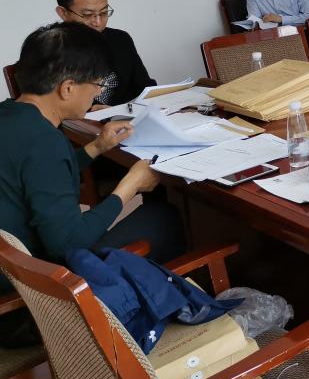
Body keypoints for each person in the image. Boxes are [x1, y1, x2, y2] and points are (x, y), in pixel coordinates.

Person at [0, 23, 185, 347]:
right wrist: (129, 186)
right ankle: (150, 334)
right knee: (163, 218)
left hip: (12, 282)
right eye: (96, 84)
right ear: (67, 88)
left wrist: (95, 148)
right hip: (31, 307)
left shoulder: (10, 115)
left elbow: (40, 178)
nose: (98, 93)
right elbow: (67, 242)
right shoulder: (45, 141)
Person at [55, 0, 154, 106]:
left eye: (103, 13)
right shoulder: (49, 49)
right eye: (88, 14)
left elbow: (144, 87)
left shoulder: (121, 39)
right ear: (63, 13)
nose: (98, 22)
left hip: (126, 115)